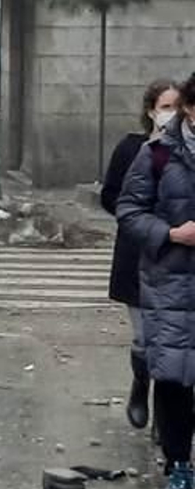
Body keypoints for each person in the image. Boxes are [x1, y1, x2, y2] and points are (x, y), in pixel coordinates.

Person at [116, 72, 195, 489]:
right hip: (171, 286)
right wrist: (170, 235)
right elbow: (128, 208)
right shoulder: (157, 154)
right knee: (173, 379)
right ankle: (180, 466)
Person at [103, 78, 181, 431]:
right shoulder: (131, 149)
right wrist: (140, 219)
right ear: (151, 111)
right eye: (166, 107)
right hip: (136, 255)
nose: (173, 114)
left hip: (177, 257)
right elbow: (111, 196)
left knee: (173, 340)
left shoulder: (185, 151)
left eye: (178, 107)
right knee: (144, 337)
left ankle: (169, 416)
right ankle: (140, 384)